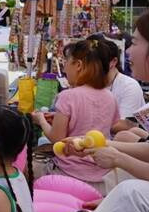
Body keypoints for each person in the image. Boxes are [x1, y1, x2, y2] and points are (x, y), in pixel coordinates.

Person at [63, 11, 149, 212]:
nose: (129, 52)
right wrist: (104, 147)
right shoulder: (104, 93)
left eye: (135, 43)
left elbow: (121, 128)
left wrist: (115, 156)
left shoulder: (74, 97)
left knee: (128, 197)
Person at [31, 39, 118, 194]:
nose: (64, 68)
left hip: (69, 176)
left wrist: (41, 120)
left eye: (66, 62)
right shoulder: (110, 97)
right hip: (103, 178)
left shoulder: (68, 96)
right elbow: (105, 125)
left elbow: (57, 139)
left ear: (78, 65)